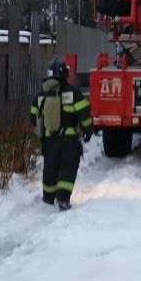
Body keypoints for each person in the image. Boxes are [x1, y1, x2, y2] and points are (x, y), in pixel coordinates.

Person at [29, 57, 92, 210]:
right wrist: (87, 131)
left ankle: (48, 198)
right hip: (69, 139)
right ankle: (63, 199)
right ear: (65, 73)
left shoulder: (41, 94)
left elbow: (33, 117)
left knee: (50, 167)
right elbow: (84, 114)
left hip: (50, 139)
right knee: (69, 167)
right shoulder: (74, 92)